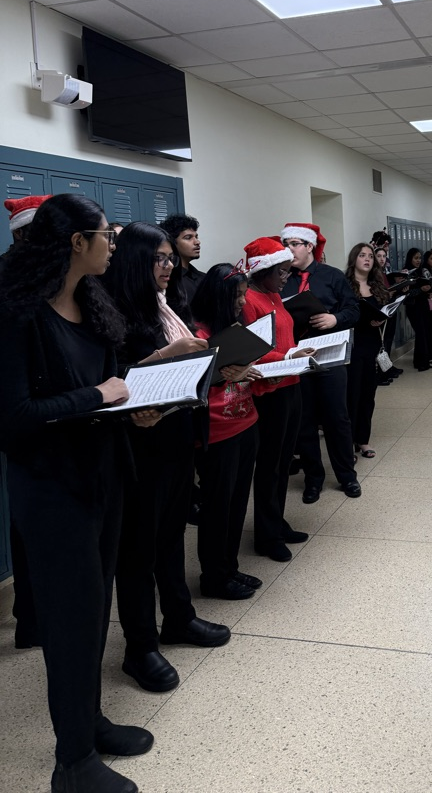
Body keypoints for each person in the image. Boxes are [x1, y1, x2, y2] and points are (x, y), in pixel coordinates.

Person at [0, 194, 155, 793]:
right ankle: (73, 763)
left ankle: (88, 723)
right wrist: (99, 397)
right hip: (52, 490)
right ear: (75, 242)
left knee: (94, 612)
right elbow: (13, 417)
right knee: (69, 622)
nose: (113, 244)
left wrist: (134, 407)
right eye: (106, 235)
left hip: (102, 475)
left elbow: (109, 386)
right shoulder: (17, 314)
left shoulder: (92, 301)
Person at [103, 222, 230, 694]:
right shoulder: (112, 310)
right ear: (135, 261)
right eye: (159, 259)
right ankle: (140, 647)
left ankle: (179, 617)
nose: (169, 266)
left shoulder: (167, 303)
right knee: (138, 549)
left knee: (172, 535)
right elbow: (111, 377)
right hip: (141, 446)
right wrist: (166, 355)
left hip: (176, 434)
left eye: (170, 258)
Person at [190, 264, 265, 597]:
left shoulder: (233, 328)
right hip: (218, 431)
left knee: (236, 504)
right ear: (218, 297)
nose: (242, 302)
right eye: (236, 296)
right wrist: (225, 374)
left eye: (244, 294)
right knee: (217, 507)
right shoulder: (198, 335)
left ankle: (229, 567)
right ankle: (214, 577)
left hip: (246, 421)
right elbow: (193, 386)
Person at [242, 237, 316, 561]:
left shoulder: (273, 295)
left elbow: (283, 337)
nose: (287, 276)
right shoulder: (249, 300)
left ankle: (277, 521)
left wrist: (297, 351)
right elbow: (253, 350)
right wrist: (288, 355)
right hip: (269, 391)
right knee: (270, 465)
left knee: (284, 462)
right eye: (282, 271)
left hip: (290, 382)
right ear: (264, 270)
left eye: (288, 270)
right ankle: (266, 535)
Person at [2, 194, 52, 651]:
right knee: (28, 526)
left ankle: (36, 615)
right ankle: (30, 618)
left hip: (55, 414)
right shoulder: (12, 280)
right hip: (28, 417)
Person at [280, 222, 361, 503]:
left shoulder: (332, 276)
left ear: (309, 246)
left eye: (294, 244)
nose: (288, 249)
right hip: (297, 359)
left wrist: (334, 319)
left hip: (330, 358)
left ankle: (347, 476)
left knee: (337, 418)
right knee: (304, 422)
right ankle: (313, 479)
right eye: (285, 244)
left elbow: (353, 310)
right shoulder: (281, 278)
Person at [345, 243, 389, 459]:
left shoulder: (376, 285)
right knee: (351, 394)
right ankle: (348, 441)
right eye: (362, 255)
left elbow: (384, 311)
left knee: (368, 394)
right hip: (352, 345)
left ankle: (363, 439)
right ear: (354, 259)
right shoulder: (344, 286)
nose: (367, 259)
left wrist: (381, 318)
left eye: (370, 256)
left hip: (372, 344)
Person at [402, 247, 432, 372]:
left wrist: (429, 290)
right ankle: (422, 362)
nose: (418, 260)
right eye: (416, 258)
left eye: (420, 258)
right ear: (410, 259)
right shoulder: (406, 273)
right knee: (420, 332)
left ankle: (421, 360)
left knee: (424, 332)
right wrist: (421, 289)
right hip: (413, 307)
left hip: (424, 304)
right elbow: (407, 294)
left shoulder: (421, 272)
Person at [161, 213, 204, 304]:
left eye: (196, 237)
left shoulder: (203, 277)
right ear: (172, 243)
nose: (197, 242)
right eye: (188, 238)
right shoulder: (167, 280)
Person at [374, 245, 402, 383]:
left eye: (384, 256)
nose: (382, 259)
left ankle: (387, 367)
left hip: (389, 309)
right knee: (382, 343)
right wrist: (387, 294)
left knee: (388, 340)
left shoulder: (384, 272)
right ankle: (380, 373)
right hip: (381, 311)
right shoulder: (374, 274)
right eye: (379, 256)